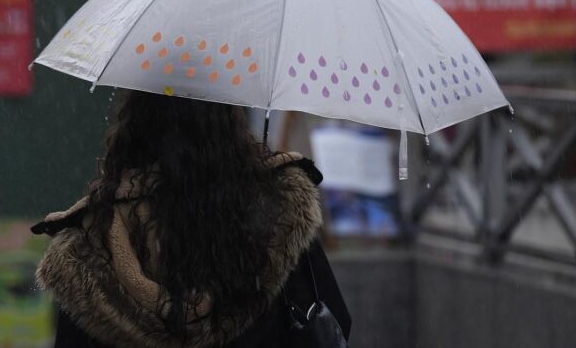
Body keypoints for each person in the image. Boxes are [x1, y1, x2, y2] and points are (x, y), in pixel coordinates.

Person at [32, 91, 351, 348]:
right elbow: (332, 323)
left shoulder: (93, 242)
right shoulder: (278, 216)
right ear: (232, 125)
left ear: (135, 127)